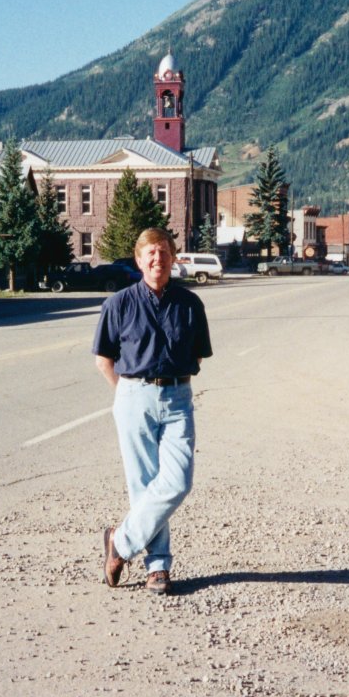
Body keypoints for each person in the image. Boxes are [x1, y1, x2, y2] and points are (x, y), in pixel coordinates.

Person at [92, 227, 212, 596]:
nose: (158, 259)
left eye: (164, 252)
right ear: (139, 259)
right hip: (133, 396)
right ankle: (158, 567)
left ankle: (120, 542)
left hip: (177, 397)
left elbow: (197, 355)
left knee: (177, 481)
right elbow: (103, 359)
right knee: (143, 485)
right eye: (150, 254)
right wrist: (129, 394)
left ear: (174, 257)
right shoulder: (119, 304)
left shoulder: (190, 304)